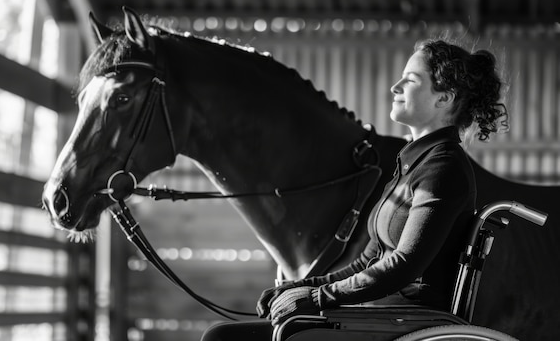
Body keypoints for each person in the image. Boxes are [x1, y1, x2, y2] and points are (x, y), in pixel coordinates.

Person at [201, 38, 509, 341]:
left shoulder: (444, 168)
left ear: (444, 99)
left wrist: (317, 298)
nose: (396, 86)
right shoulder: (416, 162)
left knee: (223, 338)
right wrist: (302, 287)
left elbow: (403, 266)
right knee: (222, 335)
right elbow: (367, 261)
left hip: (404, 322)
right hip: (380, 316)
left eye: (411, 79)